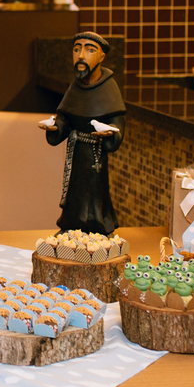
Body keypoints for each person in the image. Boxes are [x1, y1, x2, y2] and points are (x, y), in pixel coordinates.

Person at [38, 32, 125, 235]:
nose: (81, 56)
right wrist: (56, 127)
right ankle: (72, 227)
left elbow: (117, 125)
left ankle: (98, 228)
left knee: (95, 193)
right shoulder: (75, 87)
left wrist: (111, 135)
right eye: (77, 49)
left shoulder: (110, 87)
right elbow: (65, 120)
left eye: (89, 50)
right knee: (74, 193)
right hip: (76, 153)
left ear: (102, 56)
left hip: (96, 156)